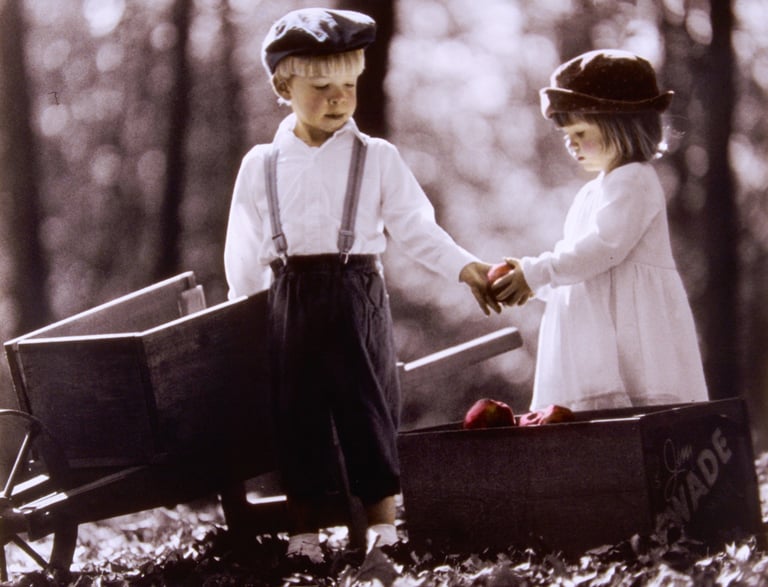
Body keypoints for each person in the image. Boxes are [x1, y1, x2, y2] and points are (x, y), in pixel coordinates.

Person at [223, 7, 498, 565]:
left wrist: (466, 268)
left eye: (348, 85)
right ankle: (304, 532)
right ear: (283, 85)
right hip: (288, 298)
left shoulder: (376, 158)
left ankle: (382, 527)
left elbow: (418, 228)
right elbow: (243, 247)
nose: (338, 98)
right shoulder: (262, 165)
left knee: (367, 405)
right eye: (321, 86)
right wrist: (244, 315)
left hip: (357, 292)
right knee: (294, 411)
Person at [492, 49, 708, 412]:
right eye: (565, 134)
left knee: (639, 417)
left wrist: (538, 271)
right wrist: (530, 280)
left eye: (579, 131)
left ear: (619, 126)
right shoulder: (593, 191)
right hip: (597, 336)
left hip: (632, 339)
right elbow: (583, 271)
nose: (570, 142)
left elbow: (604, 248)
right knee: (600, 432)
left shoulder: (634, 180)